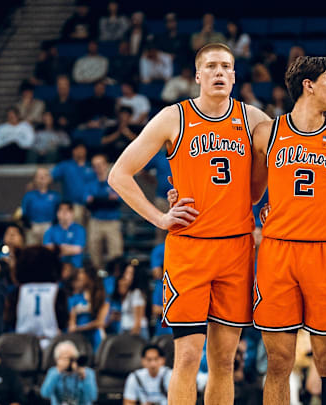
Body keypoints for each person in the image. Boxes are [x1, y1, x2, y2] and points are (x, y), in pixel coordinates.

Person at [107, 43, 272, 405]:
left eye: (226, 67)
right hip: (190, 249)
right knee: (186, 357)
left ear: (234, 75)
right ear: (197, 76)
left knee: (225, 361)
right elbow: (118, 174)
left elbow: (286, 159)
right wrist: (160, 218)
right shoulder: (174, 117)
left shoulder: (255, 119)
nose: (218, 73)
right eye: (211, 66)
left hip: (236, 247)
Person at [249, 56, 326, 404]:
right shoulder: (267, 133)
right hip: (277, 252)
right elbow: (253, 194)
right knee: (278, 362)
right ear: (309, 85)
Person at [12, 246, 69, 349]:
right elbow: (63, 319)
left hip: (22, 344)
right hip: (50, 343)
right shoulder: (57, 290)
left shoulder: (18, 291)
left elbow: (10, 319)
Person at [84, 154, 122, 270]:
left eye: (100, 164)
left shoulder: (115, 181)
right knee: (94, 253)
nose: (98, 168)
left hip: (112, 222)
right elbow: (89, 204)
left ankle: (115, 278)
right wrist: (106, 200)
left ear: (106, 165)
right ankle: (98, 280)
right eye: (95, 166)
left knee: (116, 253)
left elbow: (117, 202)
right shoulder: (90, 184)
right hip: (96, 221)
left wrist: (97, 200)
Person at [40, 340, 98, 405]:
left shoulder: (87, 372)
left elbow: (93, 397)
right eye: (65, 358)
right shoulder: (53, 372)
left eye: (71, 359)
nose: (68, 362)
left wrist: (84, 378)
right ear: (57, 360)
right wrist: (58, 371)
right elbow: (45, 394)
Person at [51, 142, 95, 224]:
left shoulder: (91, 166)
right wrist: (33, 183)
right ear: (72, 151)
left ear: (85, 150)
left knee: (90, 232)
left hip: (91, 205)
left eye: (82, 148)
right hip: (73, 206)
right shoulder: (65, 166)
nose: (79, 151)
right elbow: (49, 177)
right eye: (77, 149)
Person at [68, 267, 109, 351]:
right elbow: (72, 322)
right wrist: (74, 328)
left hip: (96, 337)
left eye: (81, 277)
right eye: (78, 278)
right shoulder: (75, 298)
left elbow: (100, 322)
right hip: (80, 338)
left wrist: (79, 328)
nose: (79, 280)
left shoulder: (101, 297)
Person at [21, 168, 61, 245]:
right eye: (39, 176)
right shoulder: (29, 196)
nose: (42, 178)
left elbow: (58, 211)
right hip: (33, 227)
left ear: (50, 179)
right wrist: (29, 226)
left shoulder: (55, 196)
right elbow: (24, 212)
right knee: (32, 250)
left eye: (45, 175)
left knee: (48, 250)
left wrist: (54, 226)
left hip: (49, 227)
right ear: (35, 179)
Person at [109, 262, 149, 338]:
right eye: (126, 272)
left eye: (129, 273)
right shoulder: (129, 293)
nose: (125, 276)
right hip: (126, 329)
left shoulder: (137, 293)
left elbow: (138, 321)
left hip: (135, 331)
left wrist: (133, 338)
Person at [43, 201, 86, 271]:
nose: (64, 212)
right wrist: (68, 248)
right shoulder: (51, 230)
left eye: (67, 210)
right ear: (57, 213)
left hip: (75, 267)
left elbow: (77, 249)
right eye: (61, 210)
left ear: (73, 213)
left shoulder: (79, 229)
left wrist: (57, 249)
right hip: (56, 268)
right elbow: (47, 249)